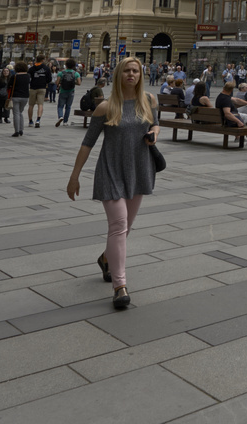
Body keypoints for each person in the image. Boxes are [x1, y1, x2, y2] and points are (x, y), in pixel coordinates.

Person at [66, 56, 159, 310]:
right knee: (118, 226)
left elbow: (155, 124)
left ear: (140, 75)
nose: (131, 75)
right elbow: (88, 143)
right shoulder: (105, 107)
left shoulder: (149, 100)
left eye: (135, 71)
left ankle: (107, 258)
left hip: (139, 170)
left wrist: (153, 133)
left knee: (126, 227)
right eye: (127, 71)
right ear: (118, 75)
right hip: (110, 170)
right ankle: (120, 286)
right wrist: (74, 176)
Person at [54, 59, 81, 127]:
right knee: (68, 107)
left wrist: (60, 82)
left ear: (66, 65)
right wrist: (73, 82)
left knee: (60, 106)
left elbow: (57, 82)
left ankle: (60, 116)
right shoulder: (76, 73)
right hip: (71, 91)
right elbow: (79, 83)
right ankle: (65, 121)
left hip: (63, 91)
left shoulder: (61, 73)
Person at [27, 57, 52, 128]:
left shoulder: (31, 68)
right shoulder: (46, 68)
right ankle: (38, 120)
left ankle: (30, 121)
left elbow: (28, 77)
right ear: (43, 60)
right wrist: (44, 81)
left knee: (31, 105)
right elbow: (49, 79)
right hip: (42, 87)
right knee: (40, 104)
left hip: (33, 87)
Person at [9, 61, 31, 136]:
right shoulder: (28, 76)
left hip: (15, 96)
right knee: (20, 112)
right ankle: (21, 129)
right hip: (25, 96)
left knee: (16, 113)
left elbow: (9, 86)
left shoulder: (14, 76)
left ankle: (17, 131)